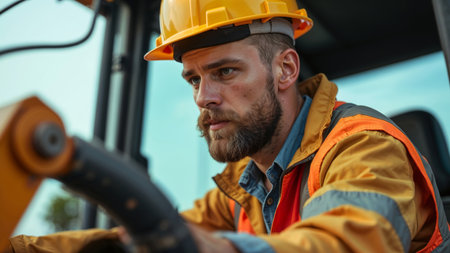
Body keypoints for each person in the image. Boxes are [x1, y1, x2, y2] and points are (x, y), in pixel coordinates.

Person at [8, 0, 450, 252]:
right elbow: (140, 234)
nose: (203, 98)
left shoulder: (365, 149)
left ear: (285, 69)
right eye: (194, 79)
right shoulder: (245, 188)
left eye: (225, 72)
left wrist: (219, 250)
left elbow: (349, 243)